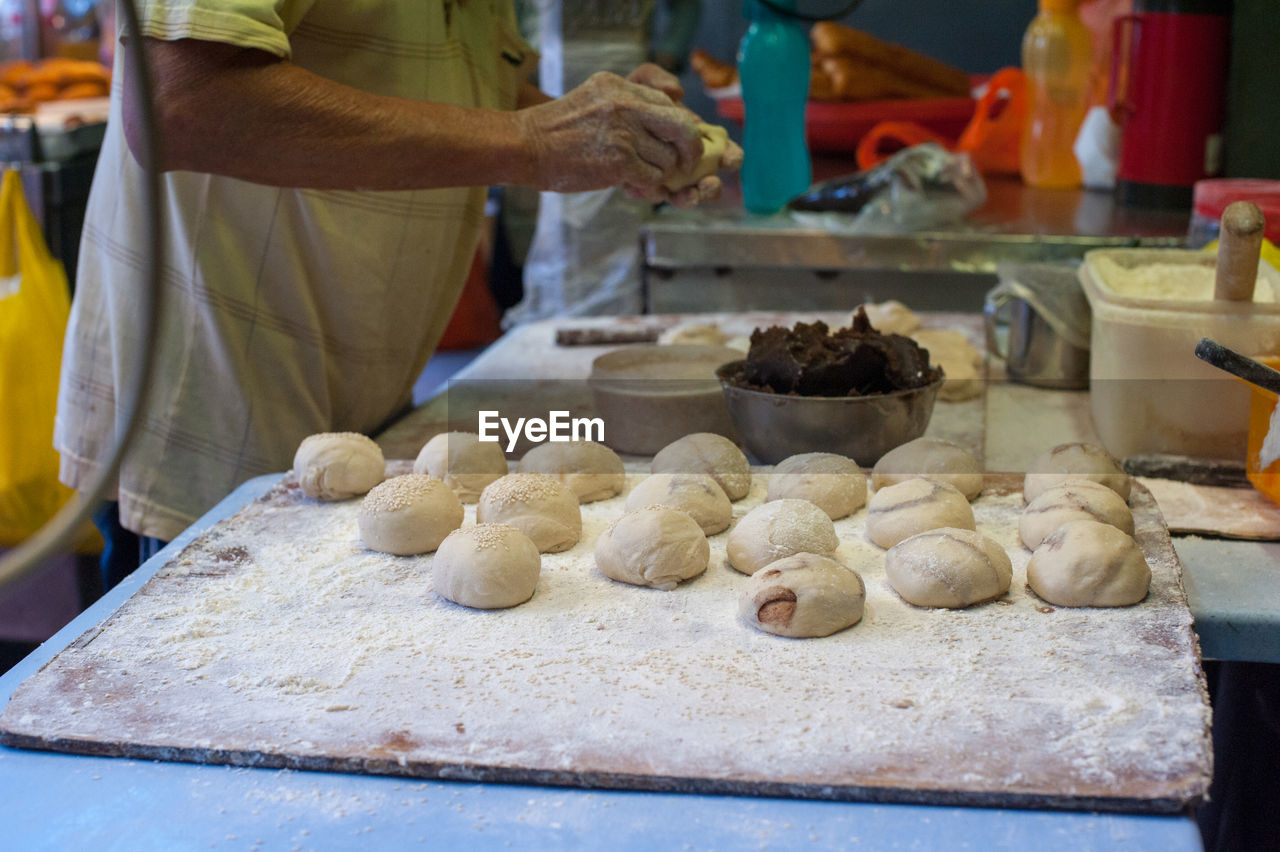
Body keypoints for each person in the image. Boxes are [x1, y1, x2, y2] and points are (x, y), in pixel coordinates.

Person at [54, 1, 741, 590]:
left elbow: (441, 103)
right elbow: (178, 104)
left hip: (357, 408)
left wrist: (609, 135)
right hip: (217, 410)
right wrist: (532, 140)